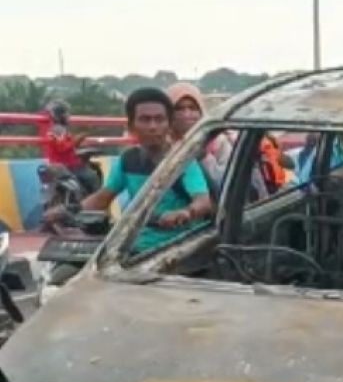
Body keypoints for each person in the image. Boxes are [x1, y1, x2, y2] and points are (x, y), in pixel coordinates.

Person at [71, 87, 212, 254]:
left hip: (178, 248)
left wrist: (184, 213)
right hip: (133, 246)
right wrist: (70, 211)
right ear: (131, 126)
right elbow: (103, 198)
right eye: (145, 120)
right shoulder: (128, 160)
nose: (153, 126)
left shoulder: (183, 160)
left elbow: (203, 202)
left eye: (159, 120)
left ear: (169, 124)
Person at [166, 82, 235, 194]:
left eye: (192, 108)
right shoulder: (162, 145)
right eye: (179, 109)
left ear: (201, 111)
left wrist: (203, 157)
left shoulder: (218, 142)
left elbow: (228, 184)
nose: (187, 114)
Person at [41, 100, 100, 194]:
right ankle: (95, 204)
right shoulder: (59, 130)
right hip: (68, 166)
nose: (68, 116)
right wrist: (79, 138)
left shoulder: (54, 129)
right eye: (66, 114)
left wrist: (79, 140)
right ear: (60, 115)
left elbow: (66, 145)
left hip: (58, 165)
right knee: (93, 177)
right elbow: (63, 147)